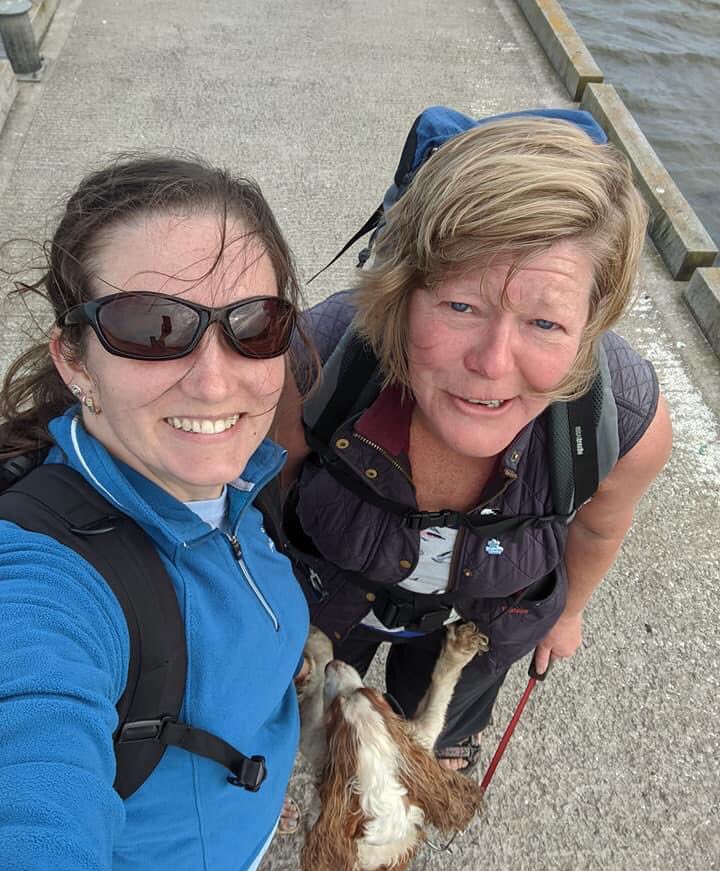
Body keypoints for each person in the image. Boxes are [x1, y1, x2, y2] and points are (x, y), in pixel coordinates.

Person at [278, 114, 672, 774]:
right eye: (461, 305)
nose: (493, 363)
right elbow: (271, 490)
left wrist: (567, 614)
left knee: (441, 722)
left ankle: (446, 743)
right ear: (401, 293)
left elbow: (600, 529)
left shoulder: (625, 424)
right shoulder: (316, 364)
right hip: (331, 592)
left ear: (590, 325)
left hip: (487, 619)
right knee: (305, 706)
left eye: (545, 322)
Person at [0, 157, 311, 871]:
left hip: (221, 833)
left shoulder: (236, 476)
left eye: (254, 325)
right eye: (150, 326)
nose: (214, 382)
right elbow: (30, 824)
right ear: (74, 360)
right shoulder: (44, 585)